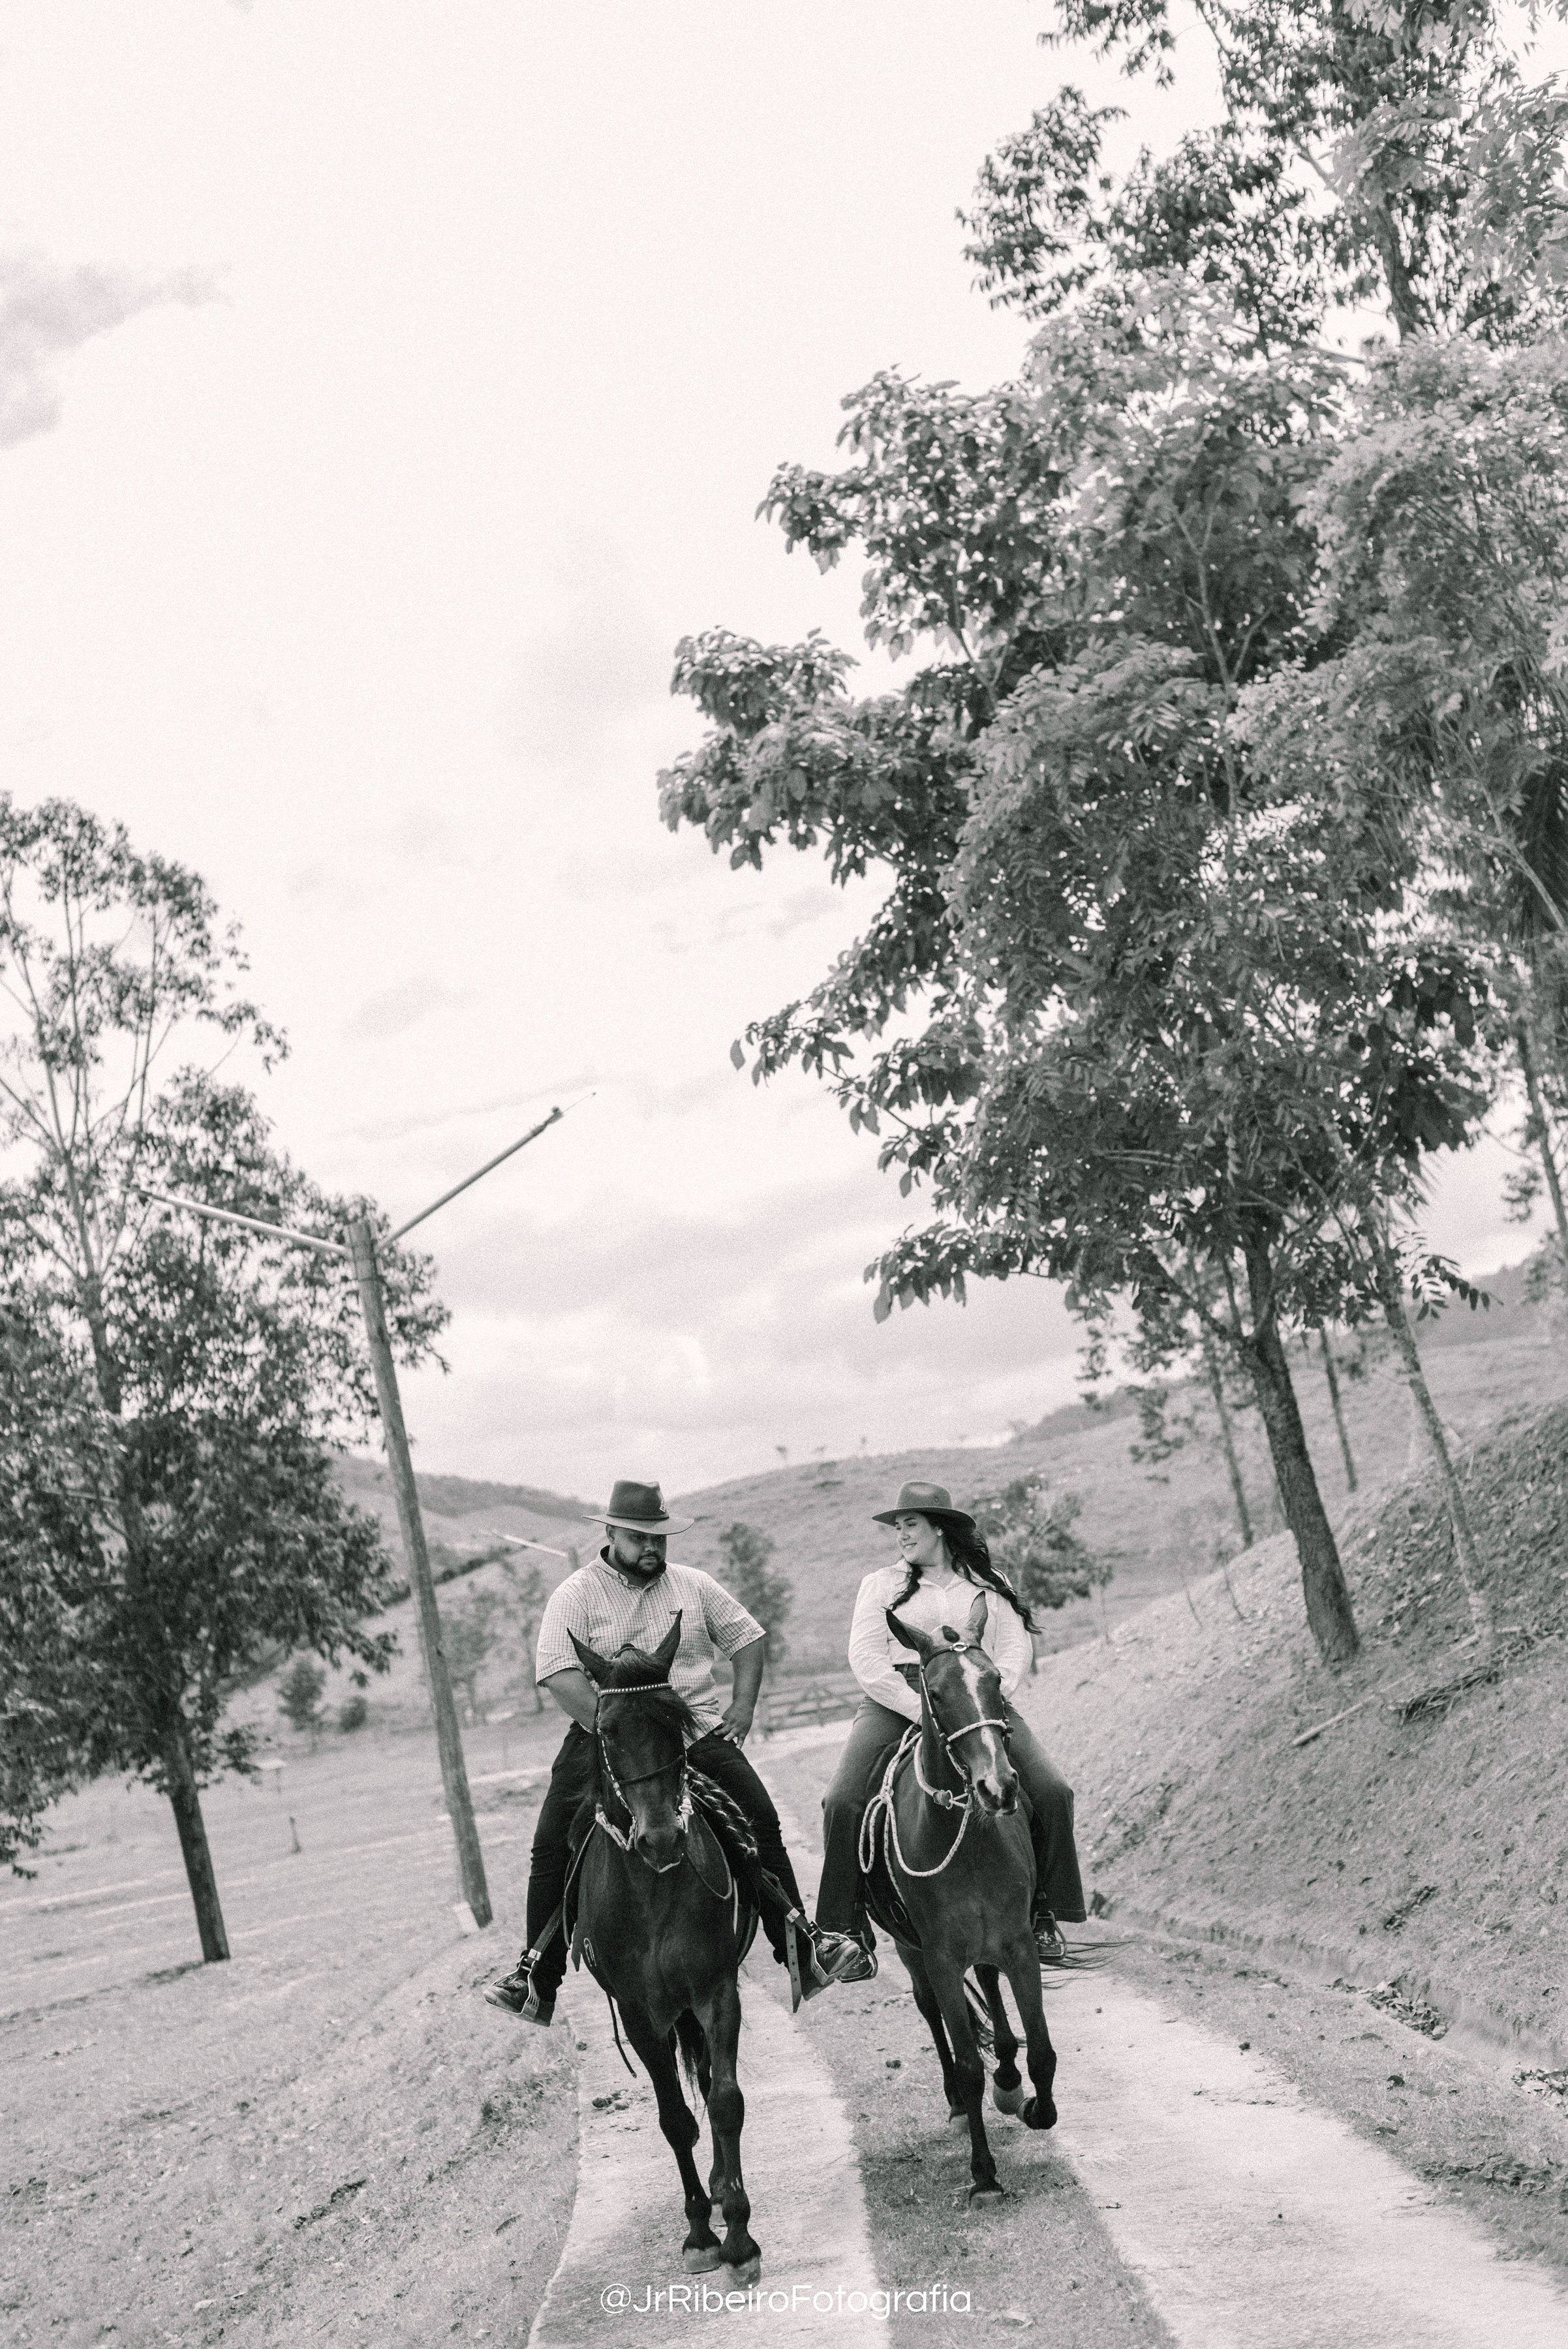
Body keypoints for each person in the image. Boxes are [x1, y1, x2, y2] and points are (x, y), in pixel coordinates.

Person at [485, 1477, 874, 2024]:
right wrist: (616, 1735)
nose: (651, 1548)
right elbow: (556, 1672)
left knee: (760, 1820)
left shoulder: (693, 1585)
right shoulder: (575, 1593)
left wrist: (742, 1706)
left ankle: (804, 1952)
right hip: (609, 1737)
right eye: (640, 1538)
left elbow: (747, 1638)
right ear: (612, 1534)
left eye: (659, 1539)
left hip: (693, 1729)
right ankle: (534, 1978)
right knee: (551, 1844)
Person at [814, 1480, 1087, 1971]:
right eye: (897, 1527)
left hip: (977, 1701)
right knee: (843, 1798)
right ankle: (843, 1930)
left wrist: (984, 1700)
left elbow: (1012, 1650)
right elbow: (866, 1659)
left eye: (909, 1524)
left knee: (1052, 1790)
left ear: (938, 1528)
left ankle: (1046, 1912)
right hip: (895, 1699)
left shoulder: (987, 1586)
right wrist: (919, 1708)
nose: (901, 1535)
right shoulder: (879, 1585)